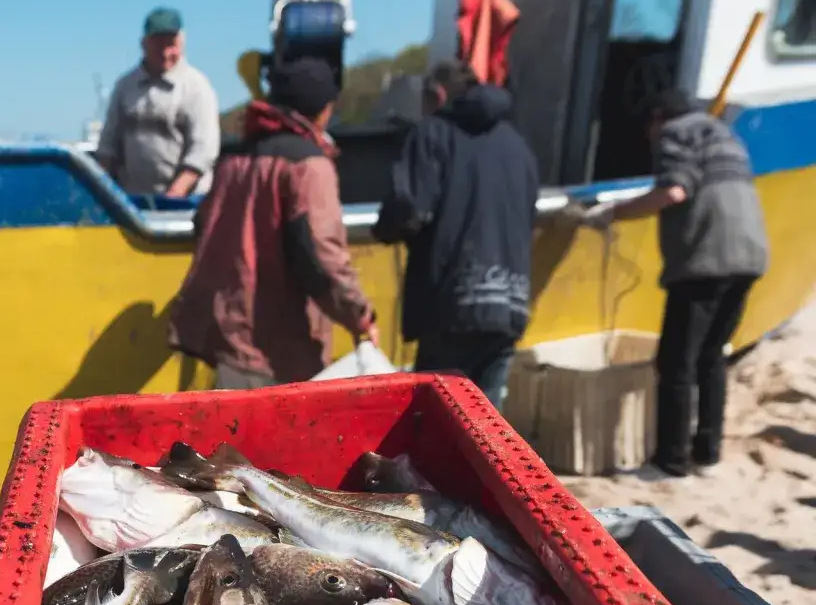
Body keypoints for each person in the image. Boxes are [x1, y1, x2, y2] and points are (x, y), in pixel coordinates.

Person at [578, 88, 769, 479]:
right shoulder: (724, 136)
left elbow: (673, 190)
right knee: (712, 356)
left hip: (704, 261)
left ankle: (671, 462)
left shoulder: (675, 133)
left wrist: (613, 213)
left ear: (656, 118)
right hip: (750, 259)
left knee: (676, 362)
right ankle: (708, 454)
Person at [167, 57, 378, 388]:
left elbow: (203, 224)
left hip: (229, 343)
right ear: (322, 109)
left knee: (230, 439)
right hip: (281, 354)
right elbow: (321, 255)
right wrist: (360, 316)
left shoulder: (233, 162)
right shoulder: (309, 166)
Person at [371, 59, 539, 411]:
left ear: (438, 94)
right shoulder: (518, 146)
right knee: (486, 430)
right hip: (510, 302)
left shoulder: (432, 133)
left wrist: (385, 228)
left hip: (451, 303)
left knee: (436, 424)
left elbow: (409, 210)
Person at [95, 7, 221, 198]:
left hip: (187, 204)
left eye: (171, 44)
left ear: (182, 42)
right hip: (131, 203)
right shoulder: (125, 86)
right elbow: (108, 147)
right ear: (144, 44)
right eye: (158, 45)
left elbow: (203, 151)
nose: (165, 52)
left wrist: (174, 195)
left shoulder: (197, 87)